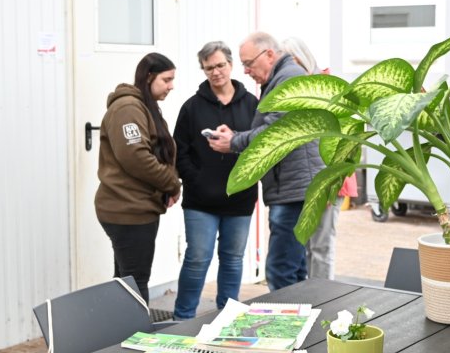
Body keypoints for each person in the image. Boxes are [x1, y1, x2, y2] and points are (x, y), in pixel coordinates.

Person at [208, 32, 326, 290]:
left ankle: (286, 327)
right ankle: (303, 321)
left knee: (280, 269)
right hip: (292, 187)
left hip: (293, 191)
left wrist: (234, 142)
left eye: (249, 63)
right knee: (293, 269)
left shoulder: (288, 78)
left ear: (270, 54)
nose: (246, 70)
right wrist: (236, 137)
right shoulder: (281, 78)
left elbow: (276, 131)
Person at [171, 41, 259, 320]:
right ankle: (183, 318)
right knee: (197, 260)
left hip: (240, 198)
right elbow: (179, 150)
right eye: (209, 68)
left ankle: (228, 317)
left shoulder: (252, 105)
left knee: (233, 261)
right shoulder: (192, 107)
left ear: (230, 65)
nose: (216, 72)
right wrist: (195, 179)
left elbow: (262, 145)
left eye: (220, 65)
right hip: (201, 201)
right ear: (204, 71)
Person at [94, 52, 181, 303]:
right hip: (128, 209)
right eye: (166, 79)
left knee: (126, 280)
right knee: (135, 282)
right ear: (149, 77)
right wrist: (171, 183)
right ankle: (136, 337)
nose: (171, 86)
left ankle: (119, 334)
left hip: (136, 207)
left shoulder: (143, 106)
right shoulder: (128, 109)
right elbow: (136, 158)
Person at [280, 36, 340, 280]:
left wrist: (327, 185)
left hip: (327, 180)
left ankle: (324, 300)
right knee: (302, 248)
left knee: (321, 247)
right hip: (298, 184)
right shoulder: (287, 91)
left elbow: (341, 142)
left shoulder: (327, 88)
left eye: (290, 61)